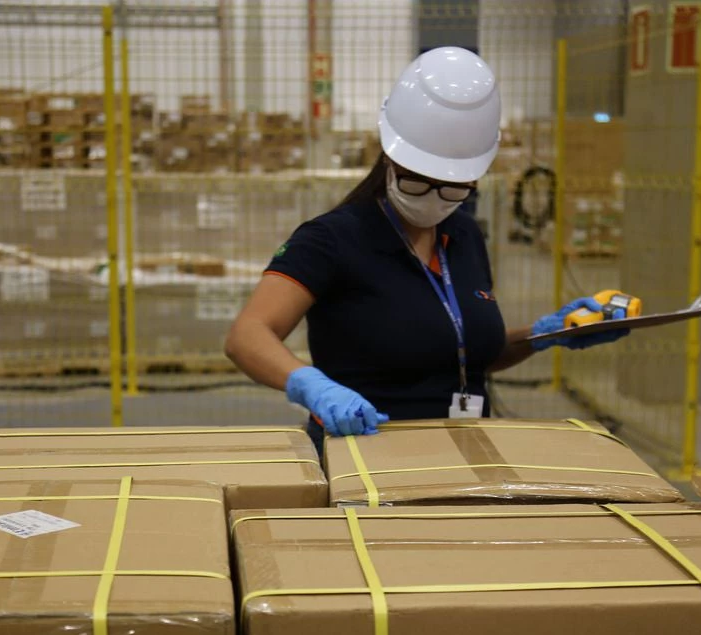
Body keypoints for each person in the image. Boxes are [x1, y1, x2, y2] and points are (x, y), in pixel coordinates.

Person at [225, 46, 631, 451]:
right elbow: (247, 335)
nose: (434, 197)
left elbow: (463, 349)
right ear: (389, 158)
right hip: (367, 456)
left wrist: (545, 334)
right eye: (416, 181)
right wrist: (310, 385)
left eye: (453, 186)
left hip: (467, 454)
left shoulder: (465, 236)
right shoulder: (332, 239)